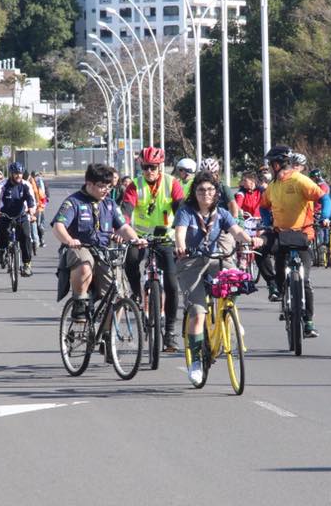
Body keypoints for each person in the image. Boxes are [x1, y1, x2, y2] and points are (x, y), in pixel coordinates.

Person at [174, 172, 264, 384]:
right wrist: (180, 245)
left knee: (235, 280)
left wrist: (250, 240)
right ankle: (195, 361)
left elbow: (236, 231)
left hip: (215, 259)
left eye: (210, 190)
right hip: (191, 262)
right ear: (194, 193)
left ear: (216, 193)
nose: (206, 194)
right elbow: (180, 231)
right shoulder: (186, 211)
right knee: (197, 311)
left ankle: (230, 315)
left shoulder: (222, 213)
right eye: (201, 190)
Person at [52, 163, 144, 321]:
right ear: (89, 183)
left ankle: (108, 338)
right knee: (84, 262)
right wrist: (69, 240)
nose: (106, 190)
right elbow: (58, 225)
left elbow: (123, 227)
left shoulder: (109, 204)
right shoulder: (74, 202)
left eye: (109, 187)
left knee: (118, 295)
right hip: (80, 248)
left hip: (103, 251)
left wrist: (135, 239)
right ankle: (79, 302)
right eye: (102, 186)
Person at [257, 144, 328, 338]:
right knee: (259, 248)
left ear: (279, 163)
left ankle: (308, 322)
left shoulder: (300, 181)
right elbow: (263, 206)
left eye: (272, 163)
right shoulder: (273, 186)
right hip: (280, 234)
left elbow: (324, 198)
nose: (270, 167)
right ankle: (273, 285)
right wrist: (266, 222)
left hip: (302, 235)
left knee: (304, 280)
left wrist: (326, 217)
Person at [122, 146, 186, 351]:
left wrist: (184, 235)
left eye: (153, 167)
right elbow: (126, 210)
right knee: (130, 260)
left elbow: (182, 210)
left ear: (160, 166)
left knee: (172, 284)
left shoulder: (172, 183)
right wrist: (121, 229)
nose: (149, 171)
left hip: (165, 238)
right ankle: (137, 295)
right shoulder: (135, 185)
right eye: (145, 167)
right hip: (140, 237)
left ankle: (169, 332)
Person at [0, 162, 37, 277]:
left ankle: (27, 264)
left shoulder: (25, 185)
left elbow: (30, 199)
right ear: (11, 174)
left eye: (20, 173)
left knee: (26, 236)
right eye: (16, 173)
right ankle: (2, 250)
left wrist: (31, 209)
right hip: (6, 214)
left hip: (21, 216)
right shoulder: (3, 185)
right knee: (2, 232)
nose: (18, 175)